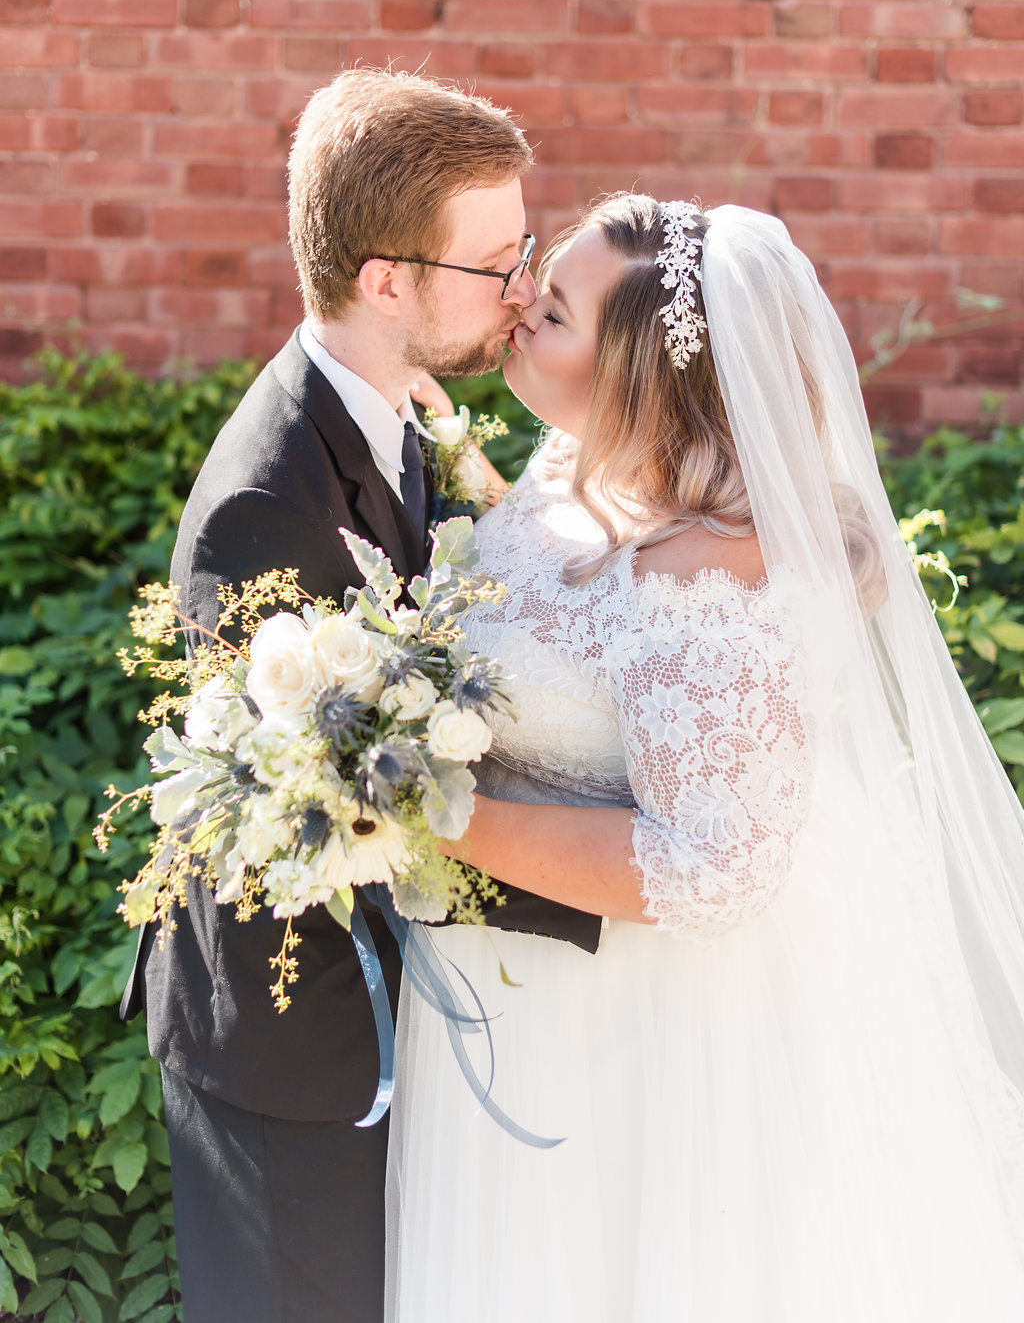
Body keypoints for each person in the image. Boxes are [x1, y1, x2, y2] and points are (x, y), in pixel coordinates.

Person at [385, 193, 1024, 1322]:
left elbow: (717, 863)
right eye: (540, 274)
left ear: (637, 379)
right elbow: (570, 630)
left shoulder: (704, 567)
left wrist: (427, 815)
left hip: (652, 1035)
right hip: (543, 1000)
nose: (522, 302)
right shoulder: (582, 468)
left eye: (559, 310)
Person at [119, 67, 602, 1323]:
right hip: (296, 1044)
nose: (522, 291)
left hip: (402, 1019)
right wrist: (633, 891)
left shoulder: (408, 410)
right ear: (386, 280)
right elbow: (362, 809)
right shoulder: (265, 505)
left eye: (527, 251)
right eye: (495, 263)